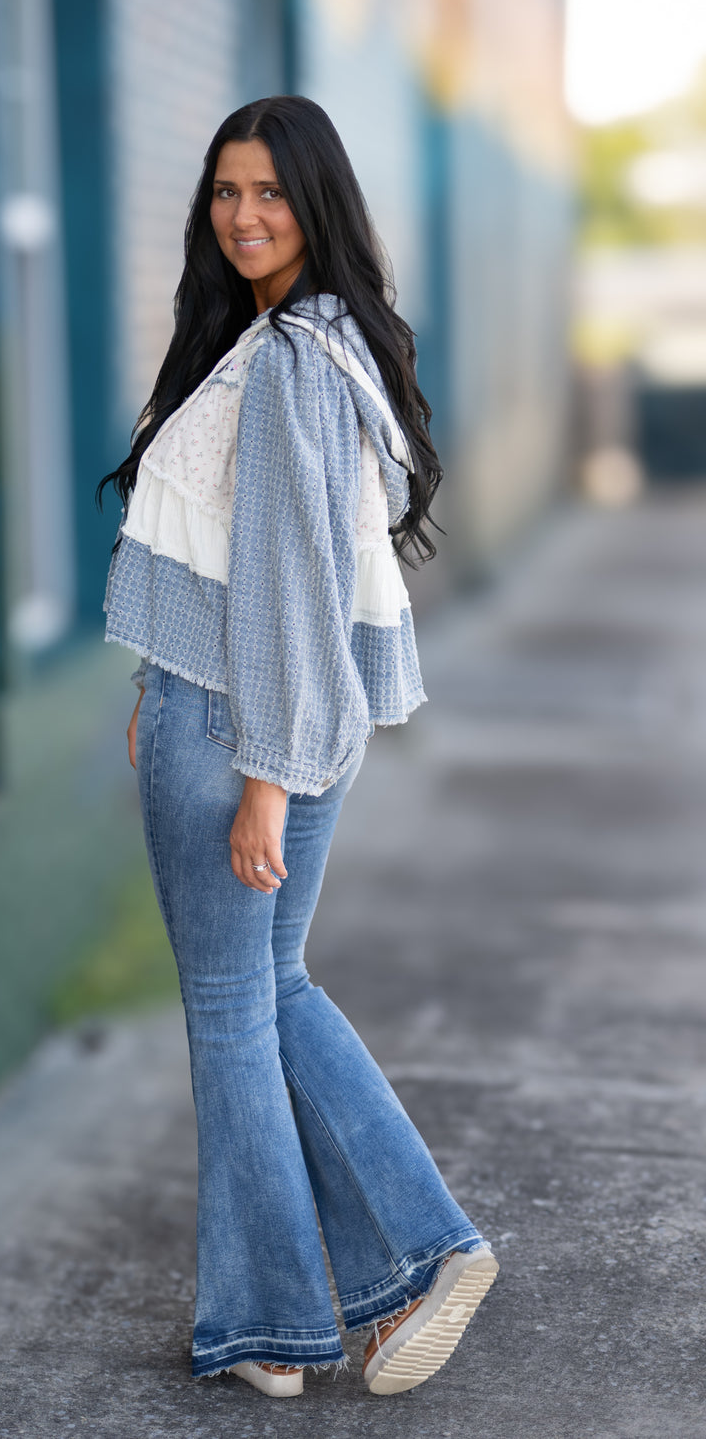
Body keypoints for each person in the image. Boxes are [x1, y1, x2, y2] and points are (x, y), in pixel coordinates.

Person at [99, 96, 497, 1400]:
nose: (244, 215)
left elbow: (282, 587)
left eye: (270, 192)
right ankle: (394, 1278)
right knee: (272, 994)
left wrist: (260, 774)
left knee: (232, 1014)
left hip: (247, 720)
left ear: (315, 200)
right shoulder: (324, 345)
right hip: (268, 708)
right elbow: (281, 572)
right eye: (225, 191)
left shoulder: (283, 366)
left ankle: (294, 1312)